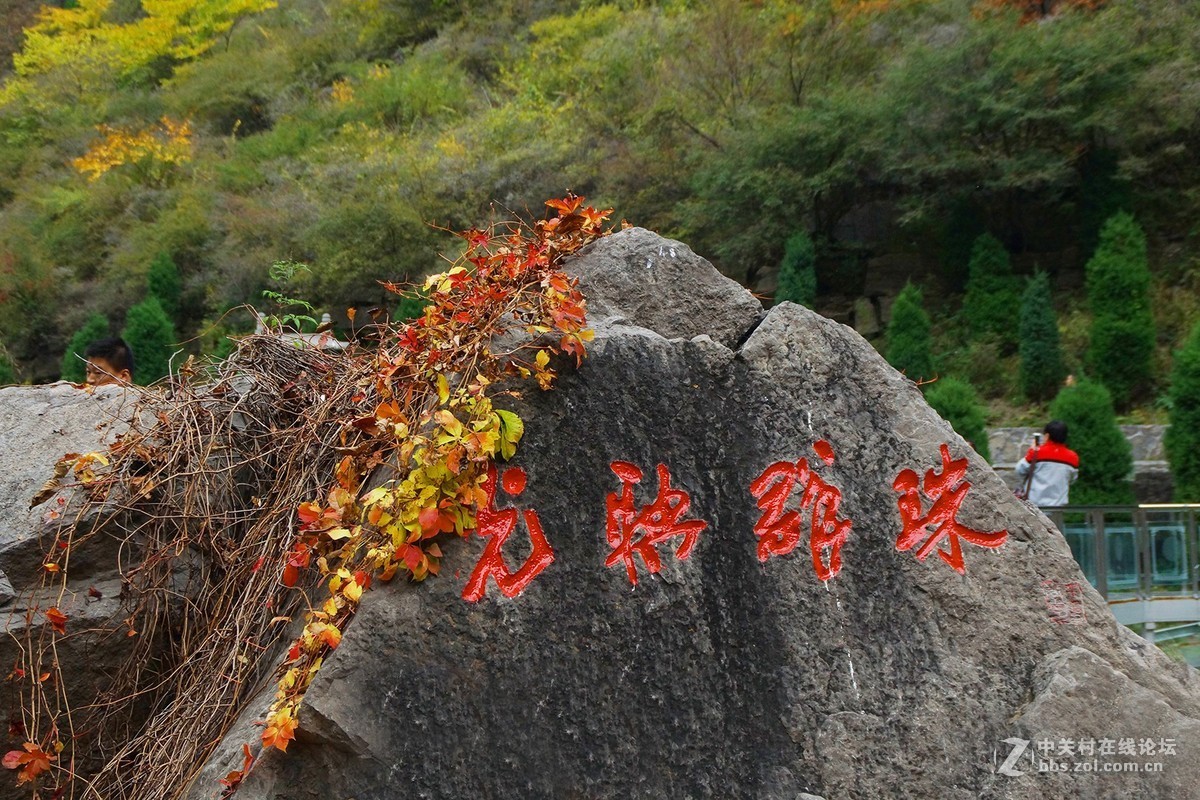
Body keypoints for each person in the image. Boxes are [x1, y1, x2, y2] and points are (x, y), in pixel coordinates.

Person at [1015, 420, 1079, 506]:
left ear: (1047, 436)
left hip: (1035, 506)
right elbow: (1072, 479)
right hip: (1059, 507)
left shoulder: (1037, 452)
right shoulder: (1073, 457)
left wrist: (1032, 450)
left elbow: (1020, 470)